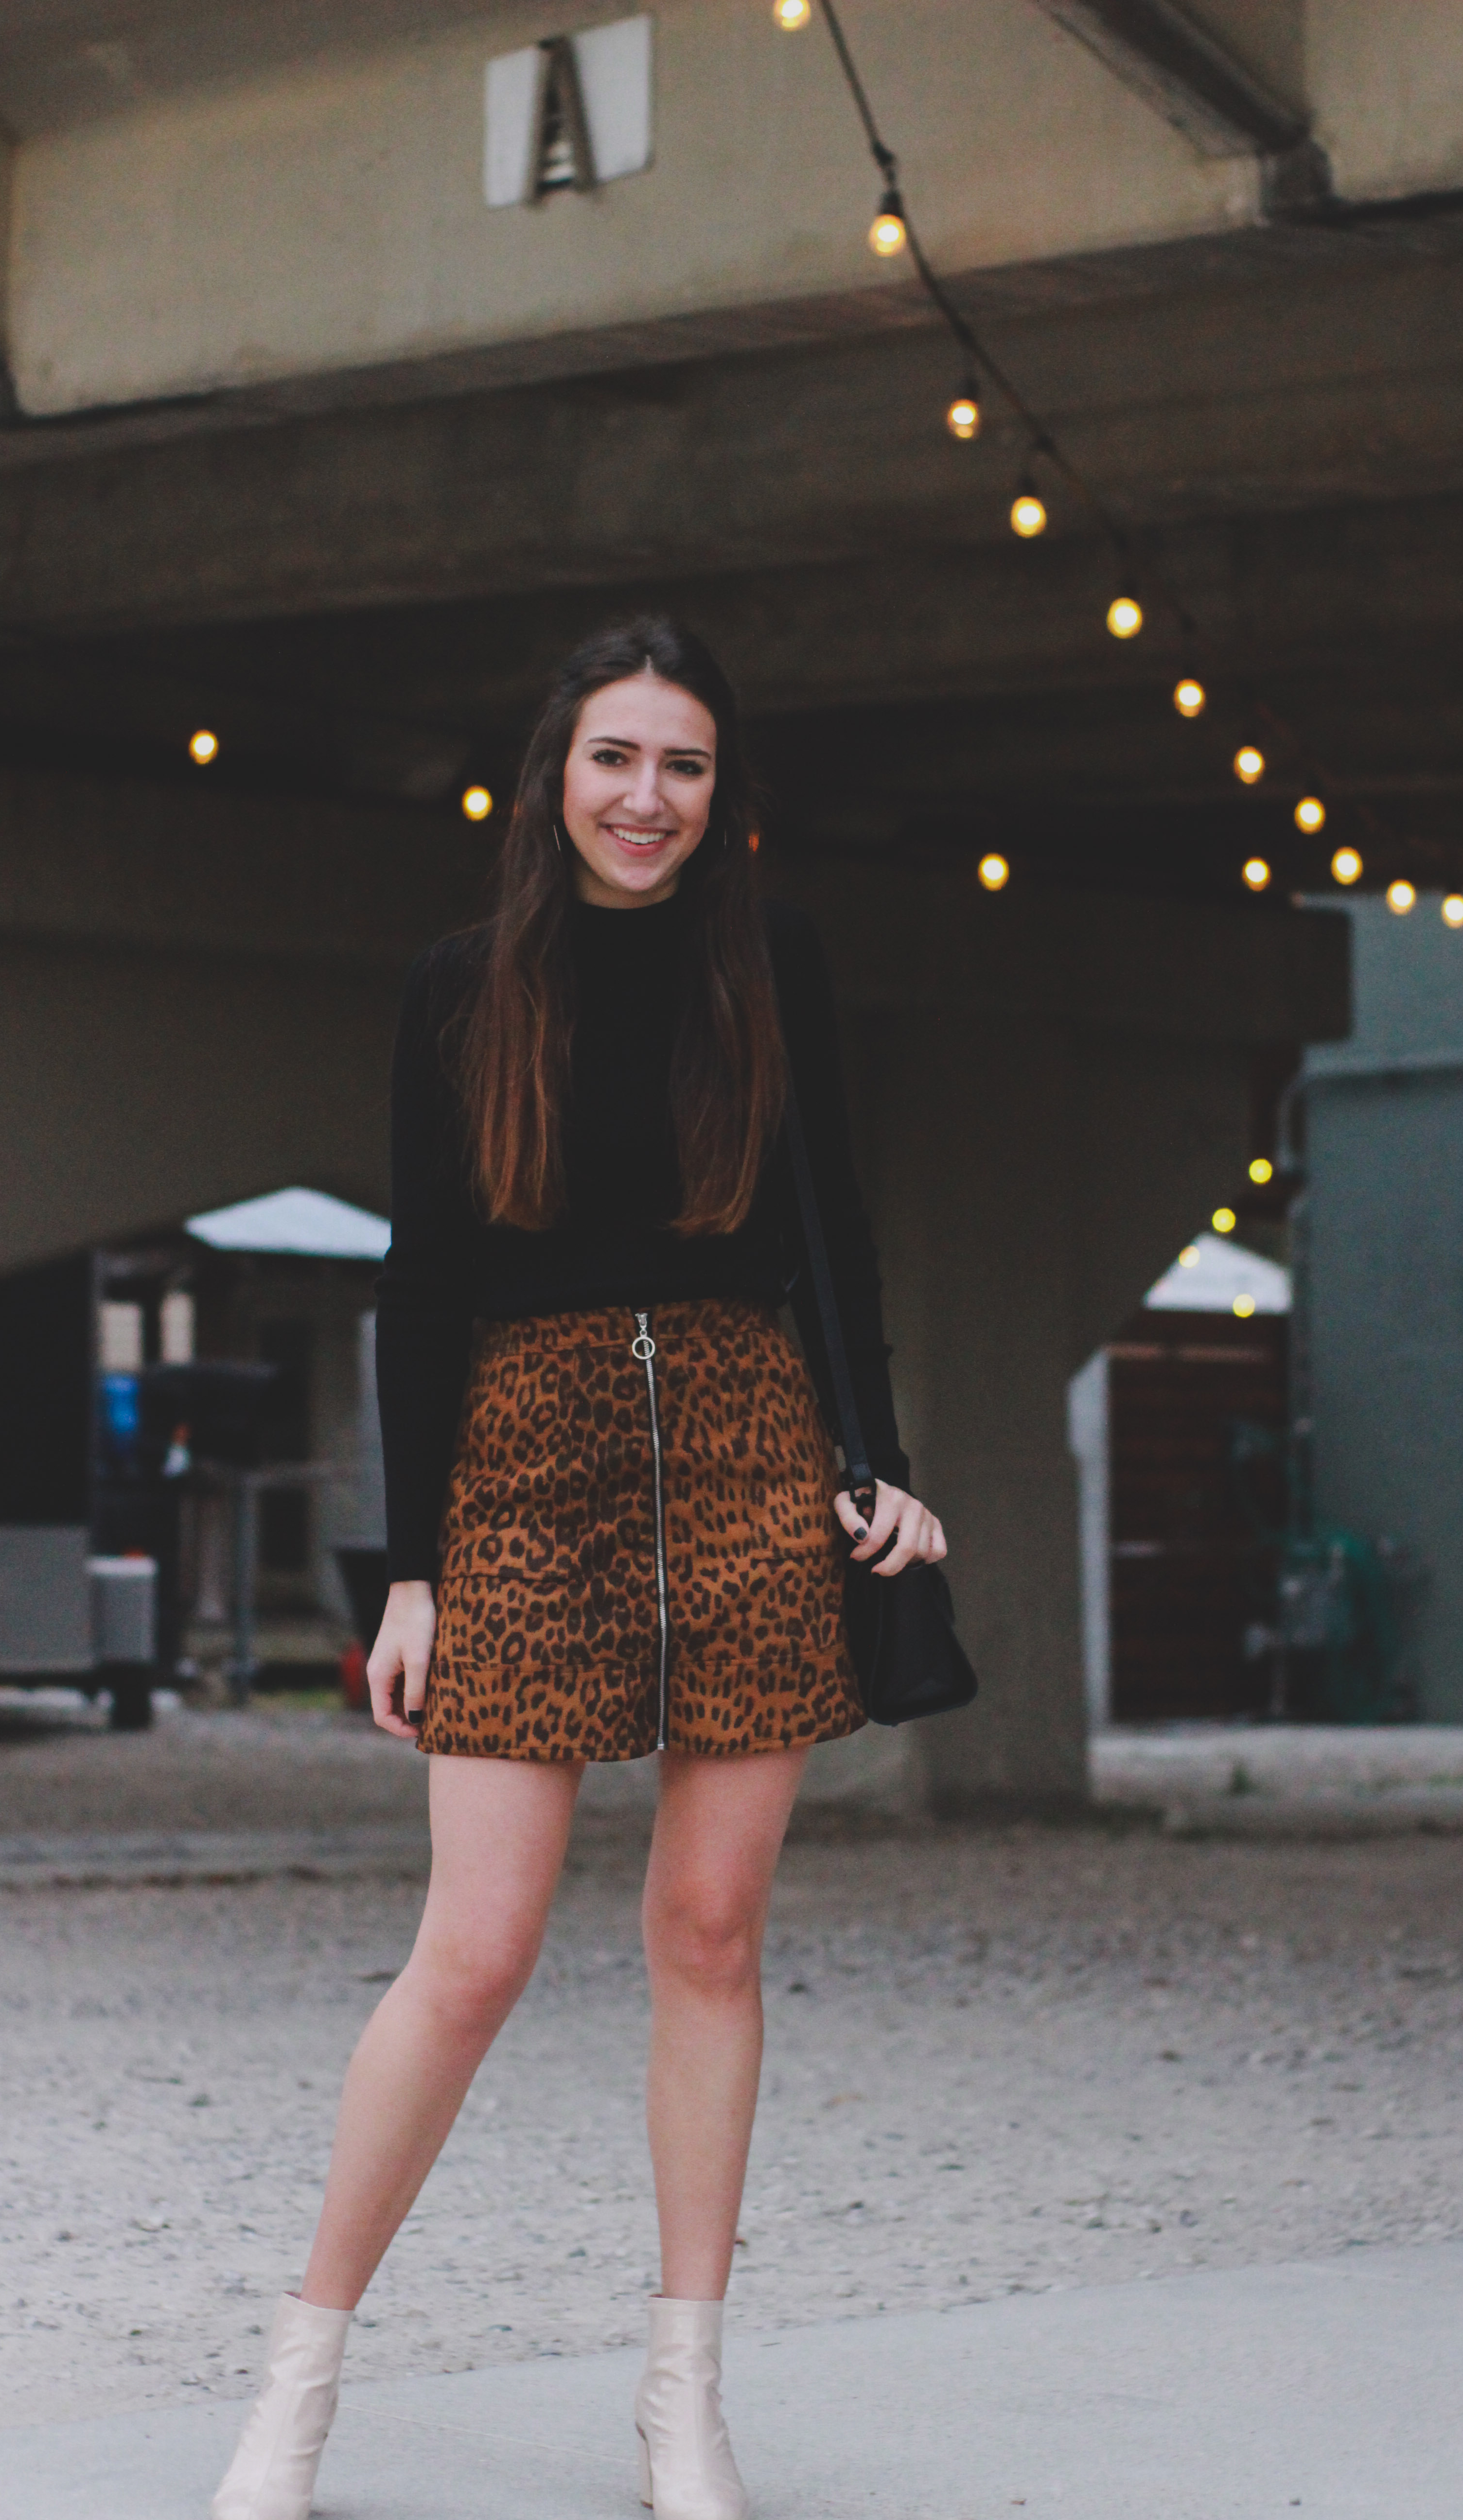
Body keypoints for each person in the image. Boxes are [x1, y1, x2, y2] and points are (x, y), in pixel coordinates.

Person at [211, 615, 947, 2520]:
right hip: (526, 1470)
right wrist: (416, 1570)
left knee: (710, 1934)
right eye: (617, 758)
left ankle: (680, 2401)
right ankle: (296, 2385)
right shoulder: (465, 989)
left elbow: (835, 1227)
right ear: (558, 778)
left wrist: (881, 1468)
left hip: (748, 1450)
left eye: (685, 764)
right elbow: (424, 1283)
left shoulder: (772, 963)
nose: (649, 796)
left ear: (724, 795)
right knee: (473, 1951)